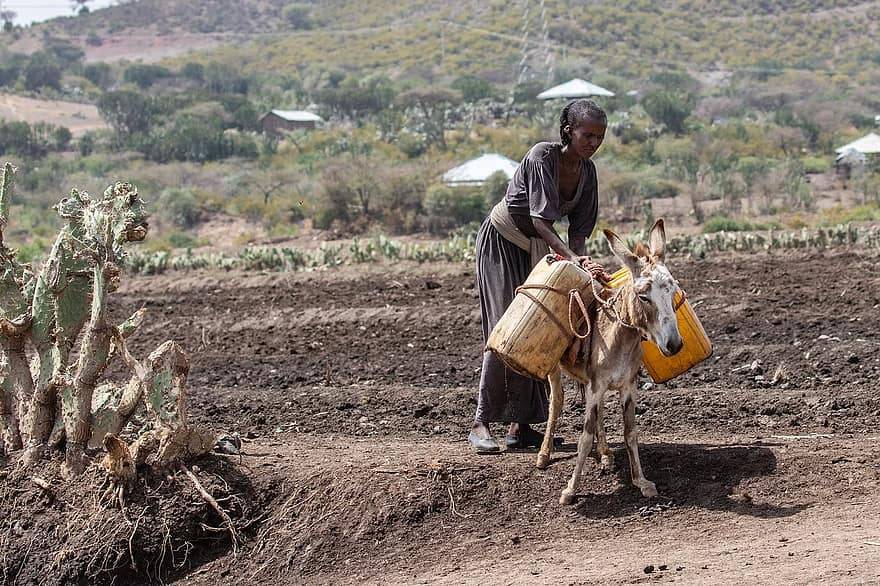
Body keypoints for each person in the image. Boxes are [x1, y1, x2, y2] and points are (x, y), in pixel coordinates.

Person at [469, 98, 610, 453]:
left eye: (600, 136)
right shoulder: (541, 157)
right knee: (507, 326)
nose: (593, 143)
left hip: (540, 247)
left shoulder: (587, 173)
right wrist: (573, 259)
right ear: (568, 132)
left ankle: (521, 425)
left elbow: (579, 230)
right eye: (587, 135)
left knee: (545, 324)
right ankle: (481, 423)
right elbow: (540, 221)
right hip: (504, 241)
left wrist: (580, 259)